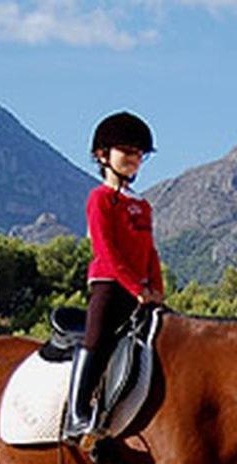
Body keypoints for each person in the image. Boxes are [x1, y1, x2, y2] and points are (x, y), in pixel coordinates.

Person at [64, 111, 165, 442]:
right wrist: (136, 288)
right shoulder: (99, 199)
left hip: (142, 291)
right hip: (109, 286)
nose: (134, 159)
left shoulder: (143, 206)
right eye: (127, 151)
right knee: (96, 338)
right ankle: (77, 414)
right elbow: (107, 251)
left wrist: (156, 291)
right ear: (102, 155)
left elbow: (150, 253)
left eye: (139, 154)